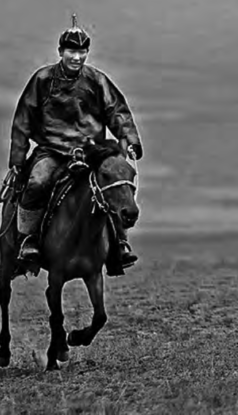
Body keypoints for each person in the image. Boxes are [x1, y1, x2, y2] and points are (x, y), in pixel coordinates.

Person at [8, 14, 144, 273]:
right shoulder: (42, 79)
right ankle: (29, 240)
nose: (77, 57)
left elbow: (117, 111)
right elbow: (23, 119)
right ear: (61, 51)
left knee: (116, 181)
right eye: (72, 51)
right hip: (53, 150)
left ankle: (119, 244)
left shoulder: (97, 80)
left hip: (92, 151)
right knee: (37, 181)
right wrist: (17, 158)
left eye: (82, 52)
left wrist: (131, 142)